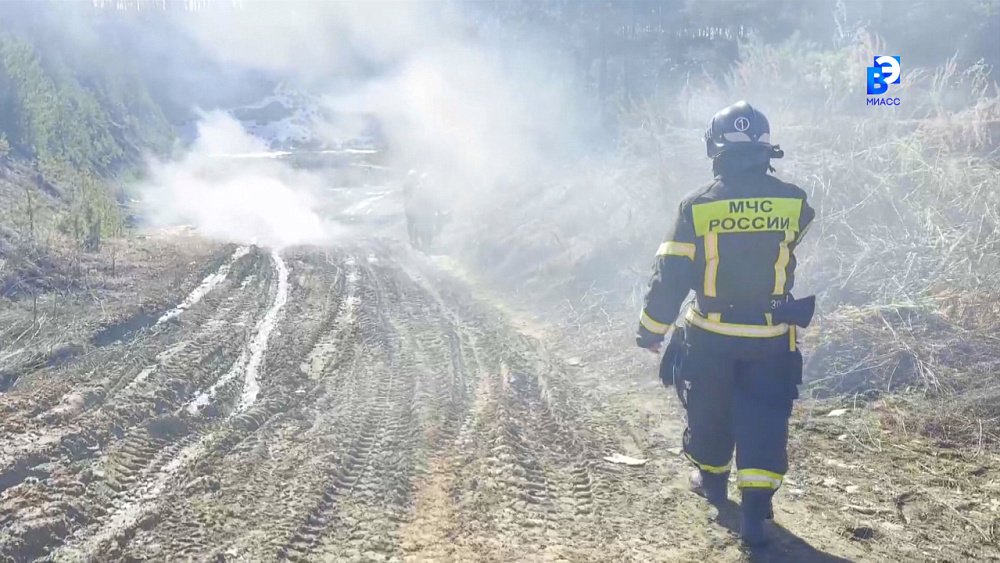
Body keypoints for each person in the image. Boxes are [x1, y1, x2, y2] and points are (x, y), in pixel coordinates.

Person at [636, 101, 816, 547]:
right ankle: (756, 511)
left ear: (715, 149)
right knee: (766, 417)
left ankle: (713, 485)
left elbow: (671, 277)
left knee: (711, 412)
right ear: (764, 148)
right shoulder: (794, 201)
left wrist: (651, 329)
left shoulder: (697, 206)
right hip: (772, 337)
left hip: (712, 338)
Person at [403, 170, 439, 251]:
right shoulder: (418, 189)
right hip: (422, 212)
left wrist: (435, 209)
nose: (426, 182)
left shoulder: (431, 189)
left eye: (427, 180)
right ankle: (418, 243)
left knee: (429, 228)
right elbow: (414, 199)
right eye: (425, 180)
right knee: (421, 228)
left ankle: (426, 245)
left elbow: (435, 200)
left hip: (428, 211)